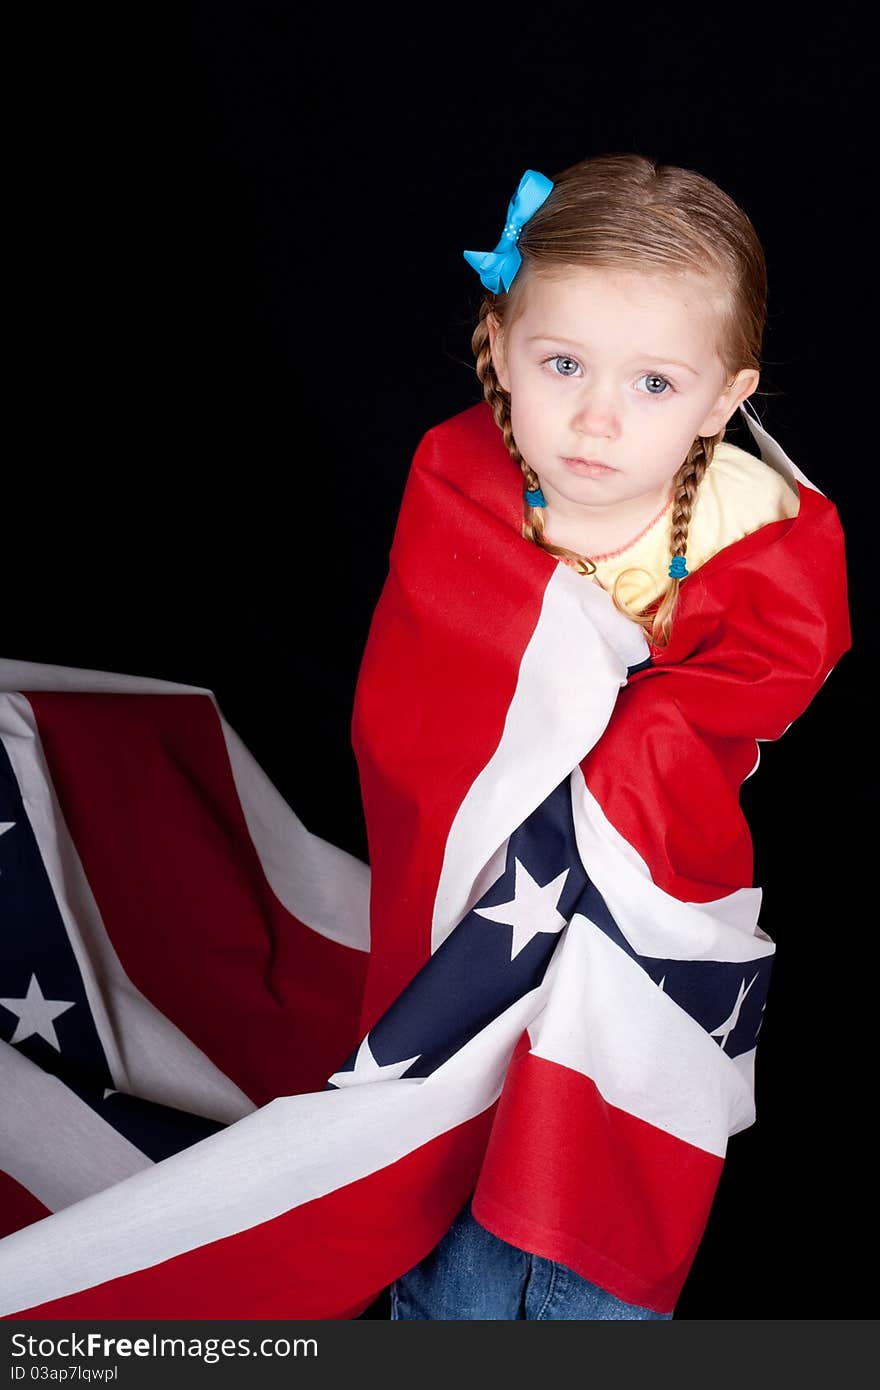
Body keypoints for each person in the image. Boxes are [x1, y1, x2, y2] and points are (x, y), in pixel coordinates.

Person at [347, 153, 850, 1319]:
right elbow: (418, 721)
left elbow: (751, 681)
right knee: (456, 1173)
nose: (596, 418)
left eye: (655, 384)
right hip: (480, 894)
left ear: (727, 400)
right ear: (504, 348)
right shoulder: (462, 481)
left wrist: (625, 762)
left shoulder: (751, 525)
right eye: (562, 363)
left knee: (596, 1165)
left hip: (646, 889)